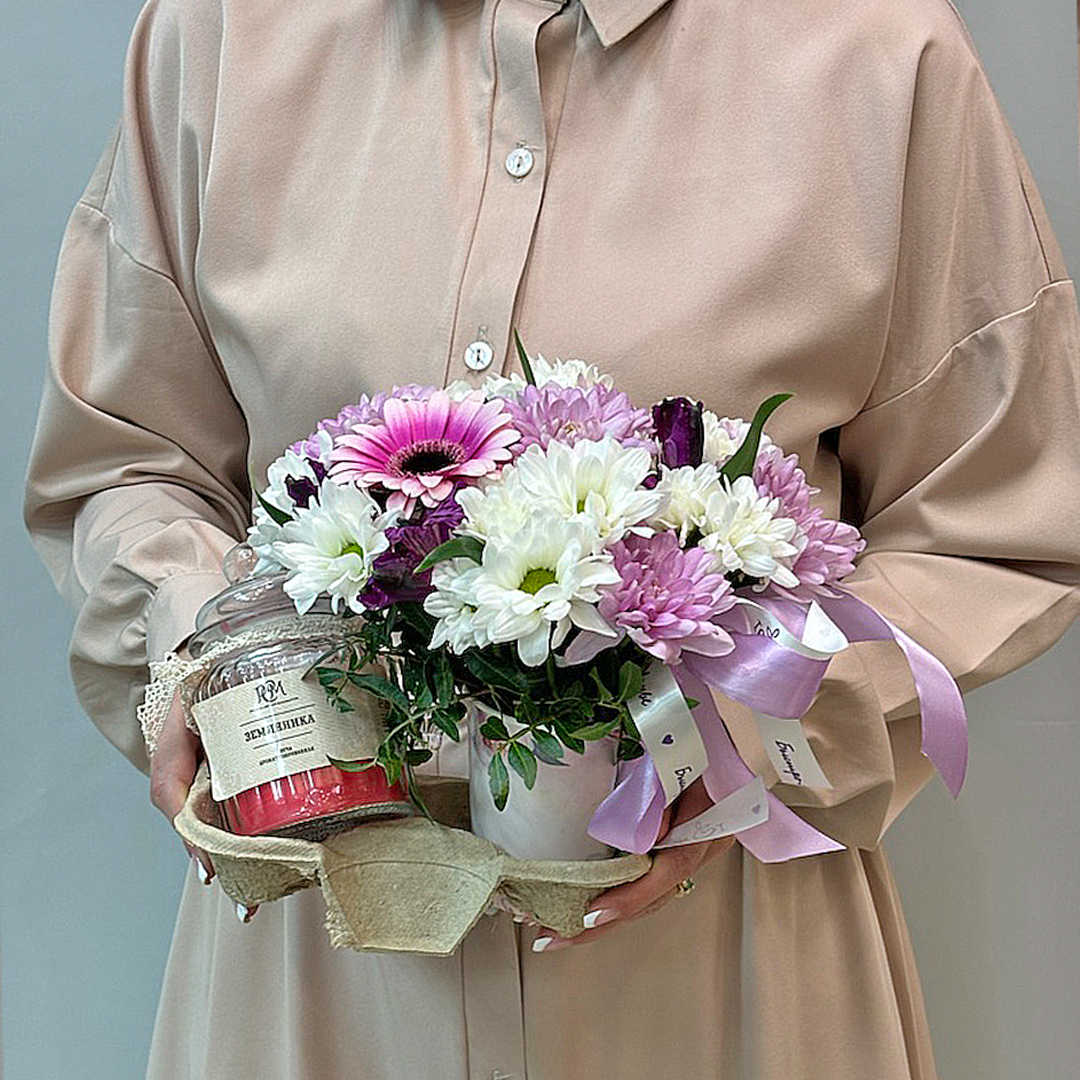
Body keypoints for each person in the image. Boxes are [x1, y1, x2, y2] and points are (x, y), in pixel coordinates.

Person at [23, 0, 1080, 1076]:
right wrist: (208, 651)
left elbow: (997, 525)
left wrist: (743, 737)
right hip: (322, 941)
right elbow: (128, 456)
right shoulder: (221, 31)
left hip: (722, 962)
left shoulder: (878, 53)